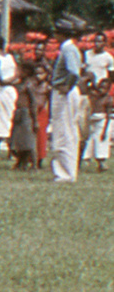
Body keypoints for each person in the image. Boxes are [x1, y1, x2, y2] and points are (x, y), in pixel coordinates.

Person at [48, 20, 84, 183]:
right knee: (66, 130)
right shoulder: (69, 48)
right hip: (66, 91)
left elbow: (74, 72)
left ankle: (66, 172)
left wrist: (66, 87)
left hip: (64, 91)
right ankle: (66, 170)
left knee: (64, 131)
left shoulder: (68, 48)